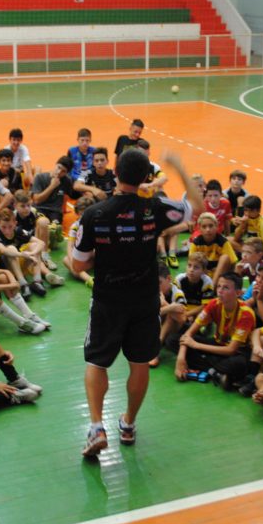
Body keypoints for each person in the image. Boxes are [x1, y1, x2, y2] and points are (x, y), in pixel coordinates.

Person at [71, 149, 201, 457]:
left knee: (97, 361)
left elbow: (78, 266)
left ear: (115, 173)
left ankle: (96, 427)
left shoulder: (94, 215)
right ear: (146, 178)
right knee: (139, 364)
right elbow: (195, 206)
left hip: (107, 301)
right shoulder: (153, 209)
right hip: (144, 303)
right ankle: (128, 424)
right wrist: (180, 166)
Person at [173, 272, 256, 389]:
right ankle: (216, 372)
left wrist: (196, 345)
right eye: (219, 286)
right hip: (217, 344)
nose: (220, 291)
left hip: (238, 352)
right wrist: (180, 359)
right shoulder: (214, 304)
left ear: (238, 293)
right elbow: (189, 334)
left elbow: (231, 350)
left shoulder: (246, 314)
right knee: (173, 339)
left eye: (226, 287)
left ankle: (208, 367)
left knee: (238, 365)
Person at [0, 207, 64, 298]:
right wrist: (22, 254)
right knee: (12, 249)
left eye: (10, 227)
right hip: (4, 271)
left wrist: (32, 253)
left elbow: (41, 243)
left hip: (17, 266)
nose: (7, 230)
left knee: (33, 245)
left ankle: (37, 281)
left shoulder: (18, 230)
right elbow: (3, 250)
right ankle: (23, 284)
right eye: (3, 227)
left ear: (15, 224)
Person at [31, 155, 75, 233]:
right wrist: (52, 186)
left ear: (67, 173)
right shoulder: (40, 177)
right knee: (41, 225)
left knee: (54, 229)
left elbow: (65, 196)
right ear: (55, 164)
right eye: (58, 167)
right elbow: (37, 200)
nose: (59, 172)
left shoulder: (67, 181)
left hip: (55, 211)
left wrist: (63, 211)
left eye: (63, 171)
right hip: (40, 208)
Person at [175, 253, 215, 324]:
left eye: (196, 267)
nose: (191, 270)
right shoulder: (179, 279)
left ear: (203, 271)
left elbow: (205, 305)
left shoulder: (207, 282)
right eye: (189, 265)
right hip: (183, 309)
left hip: (198, 311)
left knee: (209, 313)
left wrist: (189, 314)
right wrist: (185, 312)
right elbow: (175, 301)